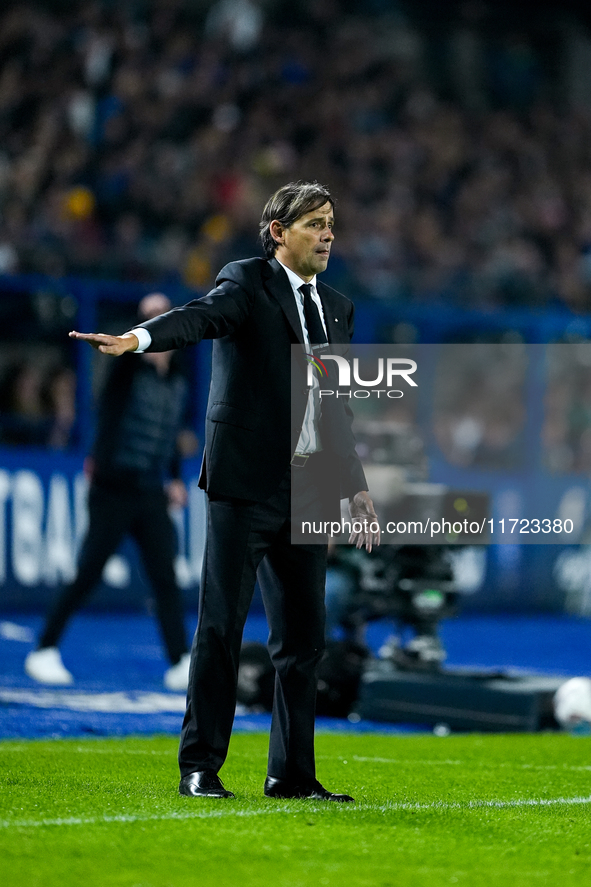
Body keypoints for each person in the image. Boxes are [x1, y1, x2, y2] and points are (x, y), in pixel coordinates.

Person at [67, 181, 380, 802]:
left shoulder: (339, 308)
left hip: (308, 493)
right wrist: (139, 339)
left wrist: (355, 490)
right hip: (244, 488)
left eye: (331, 223)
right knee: (221, 628)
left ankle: (290, 775)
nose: (327, 235)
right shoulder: (247, 282)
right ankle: (199, 767)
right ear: (277, 232)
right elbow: (198, 318)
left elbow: (334, 408)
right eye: (315, 223)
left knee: (304, 643)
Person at [25, 294, 193, 692]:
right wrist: (118, 343)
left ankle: (179, 661)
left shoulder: (178, 377)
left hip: (151, 490)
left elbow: (167, 436)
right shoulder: (128, 369)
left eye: (162, 313)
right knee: (89, 572)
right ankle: (44, 648)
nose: (156, 319)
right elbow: (111, 393)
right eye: (149, 313)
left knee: (165, 578)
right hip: (114, 489)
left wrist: (173, 478)